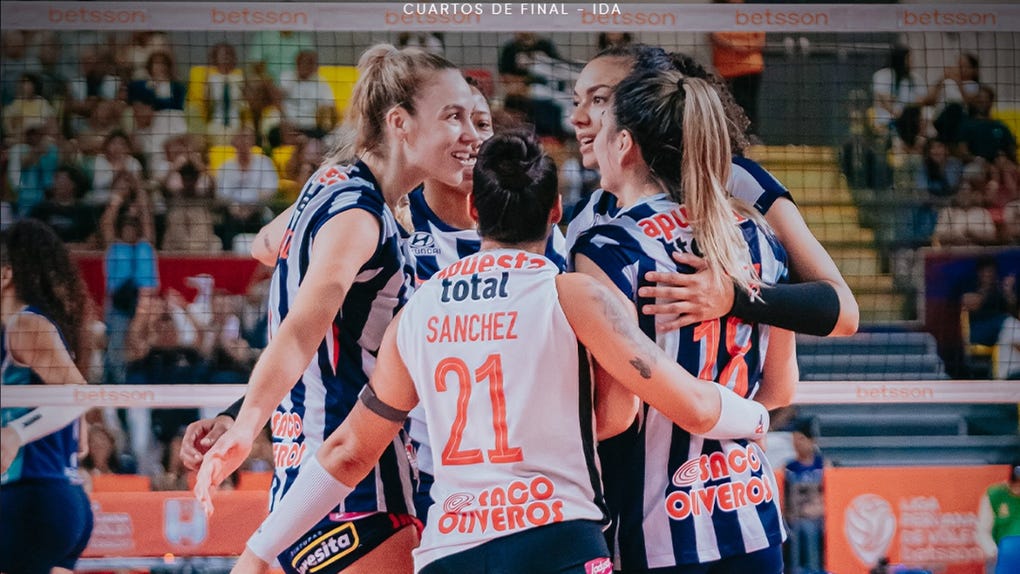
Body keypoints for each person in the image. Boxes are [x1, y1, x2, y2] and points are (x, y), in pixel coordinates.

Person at [219, 129, 771, 574]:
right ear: (556, 210)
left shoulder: (417, 312)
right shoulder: (574, 295)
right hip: (556, 538)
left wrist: (260, 551)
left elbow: (346, 453)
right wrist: (758, 417)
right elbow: (675, 409)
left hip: (453, 548)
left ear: (474, 209)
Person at [191, 44, 484, 574]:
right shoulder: (360, 217)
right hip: (354, 481)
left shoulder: (331, 181)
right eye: (453, 117)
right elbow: (302, 330)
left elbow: (265, 243)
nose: (470, 135)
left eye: (474, 119)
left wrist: (243, 416)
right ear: (399, 123)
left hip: (302, 473)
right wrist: (244, 425)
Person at [571, 68, 794, 573]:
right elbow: (781, 388)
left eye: (603, 126)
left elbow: (615, 414)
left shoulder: (608, 248)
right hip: (751, 510)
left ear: (623, 144)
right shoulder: (756, 234)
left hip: (656, 525)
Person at [567, 45, 858, 338]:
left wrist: (735, 296)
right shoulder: (589, 214)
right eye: (577, 101)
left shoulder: (736, 180)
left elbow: (844, 313)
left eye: (599, 99)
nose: (576, 117)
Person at [0, 219, 94, 573]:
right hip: (55, 500)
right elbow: (81, 442)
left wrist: (16, 433)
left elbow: (79, 395)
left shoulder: (25, 325)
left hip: (33, 499)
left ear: (6, 274)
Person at [710, 0, 765, 138]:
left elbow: (760, 41)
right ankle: (734, 138)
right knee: (729, 107)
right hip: (726, 70)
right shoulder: (718, 14)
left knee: (748, 107)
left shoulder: (752, 15)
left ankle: (750, 138)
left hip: (750, 69)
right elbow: (715, 37)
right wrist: (739, 46)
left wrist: (737, 46)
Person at [784, 420, 826, 574]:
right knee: (799, 529)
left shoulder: (823, 465)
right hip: (796, 518)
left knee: (811, 528)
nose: (796, 443)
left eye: (800, 439)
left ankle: (814, 569)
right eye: (794, 439)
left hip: (819, 518)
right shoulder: (789, 468)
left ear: (811, 441)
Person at [976, 461, 1020, 574]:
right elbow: (983, 530)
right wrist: (994, 552)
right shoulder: (995, 495)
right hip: (1002, 557)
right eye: (1017, 482)